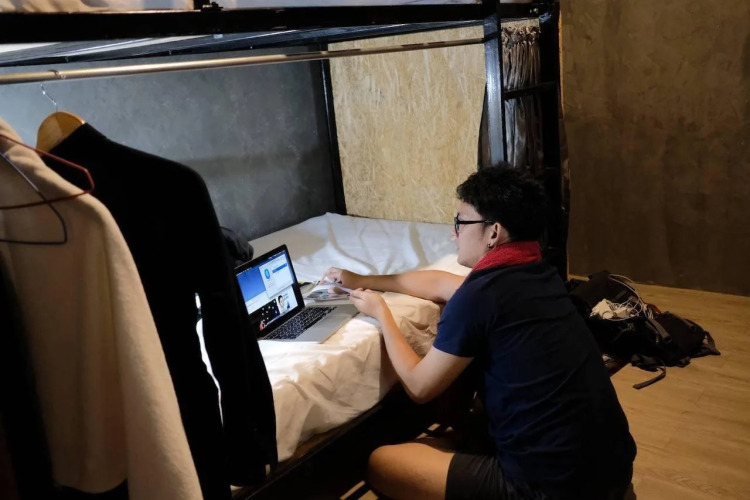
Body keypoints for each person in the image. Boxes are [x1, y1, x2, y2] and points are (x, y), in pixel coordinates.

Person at [323, 165, 636, 500]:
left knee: (382, 463)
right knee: (461, 425)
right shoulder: (536, 272)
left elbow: (419, 386)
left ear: (493, 232)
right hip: (611, 468)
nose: (453, 233)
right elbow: (439, 283)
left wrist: (381, 313)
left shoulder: (481, 295)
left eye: (461, 222)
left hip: (548, 488)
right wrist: (362, 280)